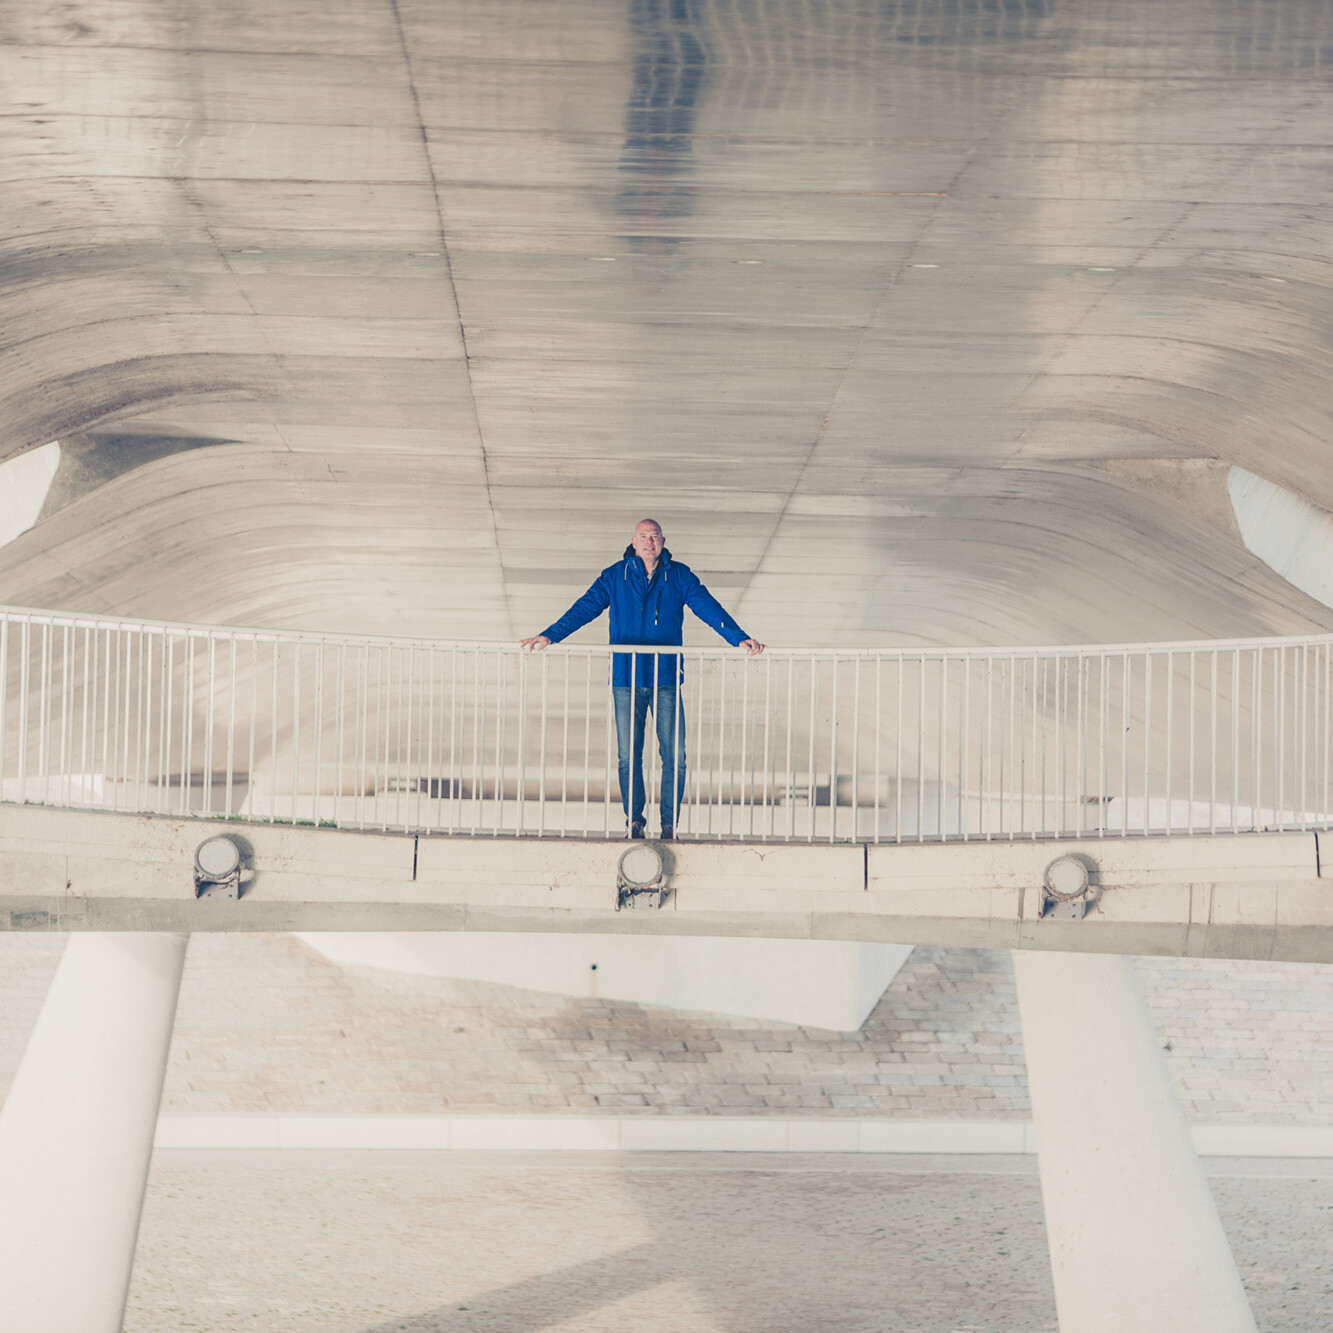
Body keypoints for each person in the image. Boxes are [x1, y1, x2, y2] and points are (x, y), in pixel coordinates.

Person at [521, 519, 764, 839]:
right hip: (626, 677)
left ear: (663, 541)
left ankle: (668, 824)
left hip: (665, 678)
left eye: (654, 537)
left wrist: (738, 638)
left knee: (675, 756)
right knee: (628, 754)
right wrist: (550, 635)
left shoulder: (679, 576)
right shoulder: (614, 576)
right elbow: (585, 608)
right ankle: (634, 820)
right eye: (643, 537)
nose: (649, 542)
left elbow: (708, 607)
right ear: (633, 541)